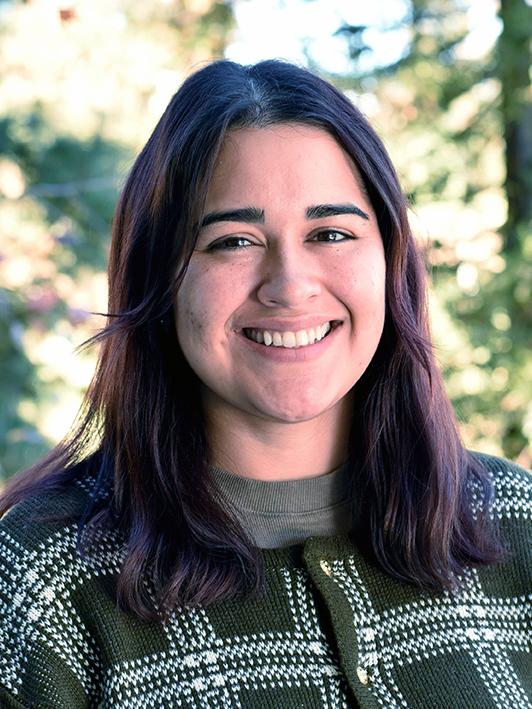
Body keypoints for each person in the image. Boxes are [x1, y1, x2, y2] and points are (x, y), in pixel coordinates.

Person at [0, 59, 530, 709]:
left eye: (330, 232)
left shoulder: (517, 520)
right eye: (234, 241)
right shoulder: (42, 579)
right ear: (161, 279)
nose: (289, 285)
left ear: (391, 261)